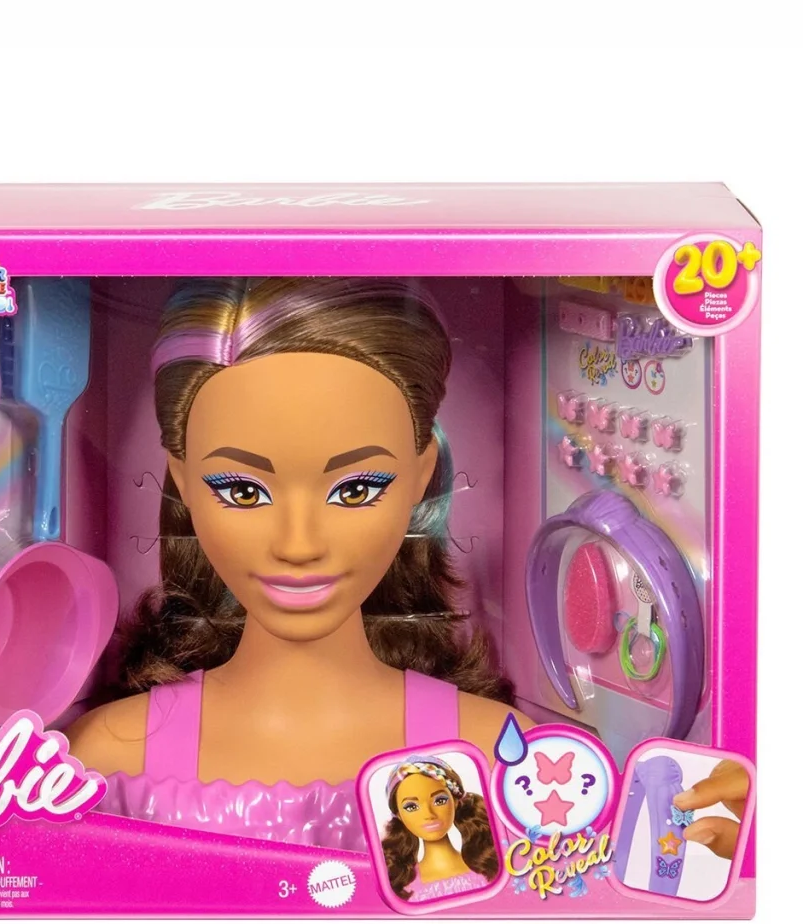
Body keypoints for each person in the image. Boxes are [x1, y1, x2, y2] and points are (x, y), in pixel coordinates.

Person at [67, 278, 533, 850]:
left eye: (356, 489)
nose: (298, 543)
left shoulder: (501, 760)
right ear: (183, 481)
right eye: (243, 491)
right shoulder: (105, 757)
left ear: (420, 474)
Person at [382, 756, 498, 901]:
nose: (428, 814)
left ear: (455, 801)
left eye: (440, 800)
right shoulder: (401, 887)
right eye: (411, 807)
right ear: (399, 815)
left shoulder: (489, 865)